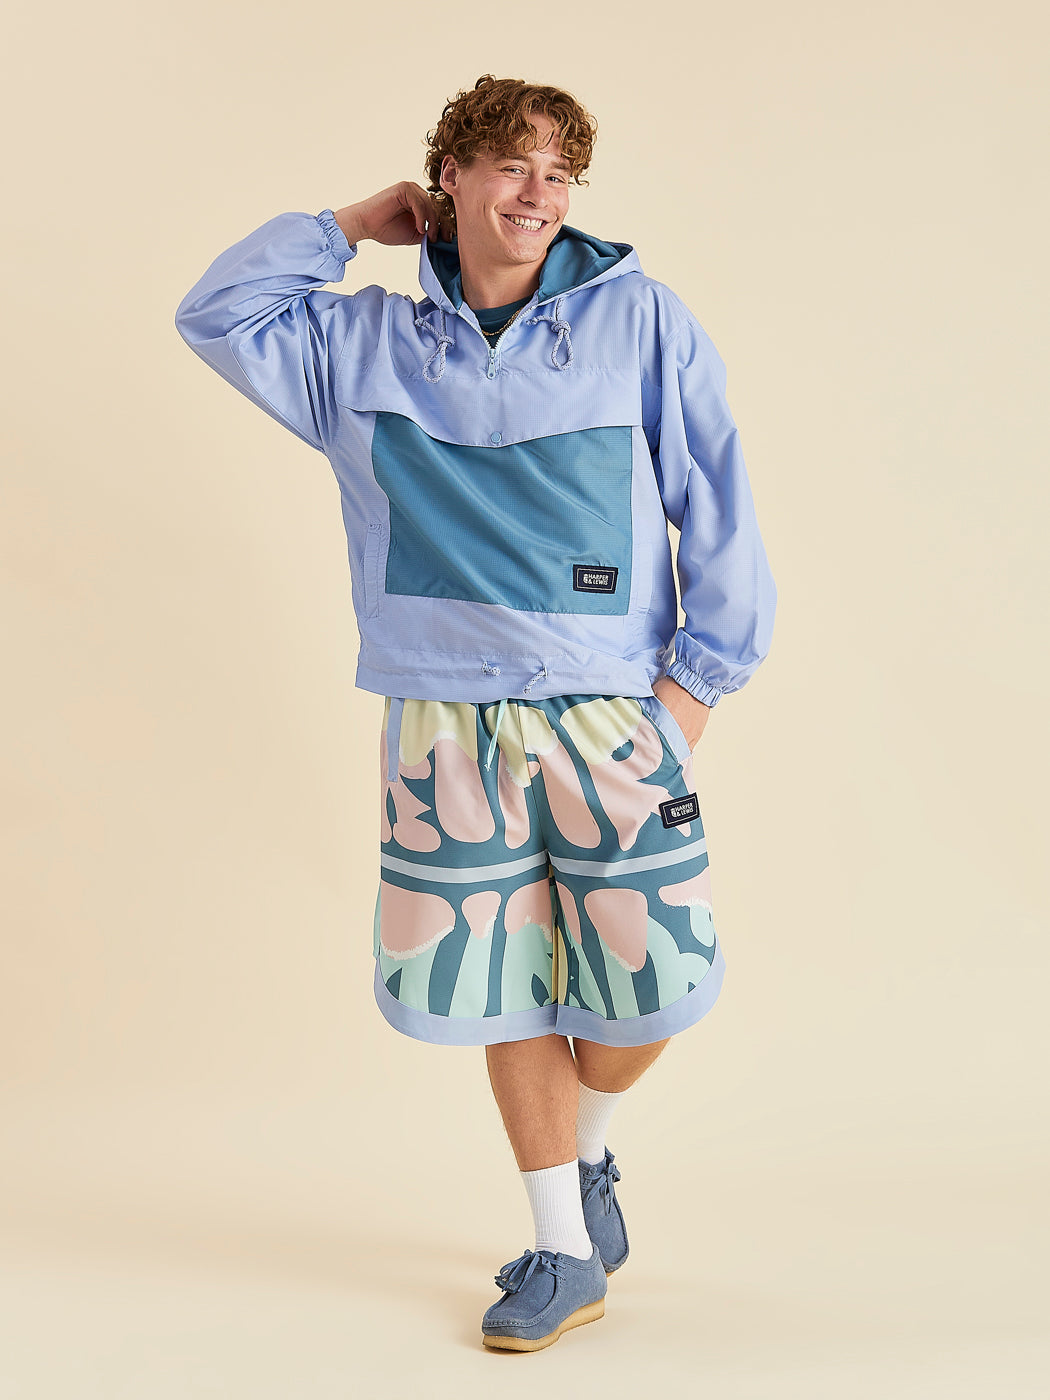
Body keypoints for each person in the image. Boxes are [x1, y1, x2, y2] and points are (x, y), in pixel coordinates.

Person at [175, 73, 777, 1351]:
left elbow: (717, 499)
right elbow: (215, 312)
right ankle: (562, 1244)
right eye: (510, 164)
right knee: (504, 991)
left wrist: (689, 697)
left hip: (612, 715)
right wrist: (348, 225)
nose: (537, 193)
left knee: (653, 987)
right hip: (442, 721)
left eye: (558, 173)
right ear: (447, 177)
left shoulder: (641, 321)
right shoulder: (360, 347)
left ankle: (589, 1152)